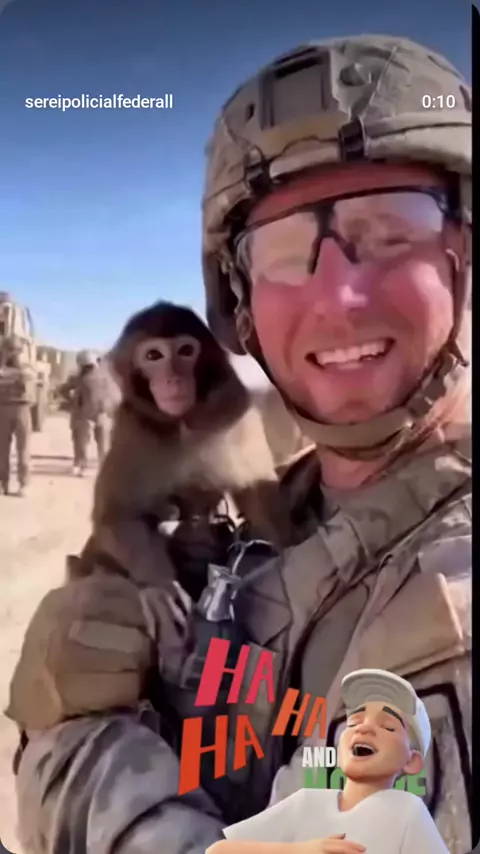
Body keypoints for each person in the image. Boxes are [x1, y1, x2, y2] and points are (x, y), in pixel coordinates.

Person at [7, 35, 471, 854]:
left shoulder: (454, 591)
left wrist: (78, 742)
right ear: (240, 305)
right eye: (285, 252)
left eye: (392, 230)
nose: (339, 296)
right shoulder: (282, 506)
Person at [208, 669, 449, 853]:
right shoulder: (307, 803)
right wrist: (299, 850)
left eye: (388, 726)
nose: (363, 728)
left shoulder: (406, 811)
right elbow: (218, 851)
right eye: (353, 722)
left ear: (412, 761)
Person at [66, 349, 117, 475]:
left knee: (84, 442)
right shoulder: (107, 377)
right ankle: (95, 467)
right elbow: (114, 396)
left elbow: (64, 391)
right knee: (98, 443)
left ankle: (83, 465)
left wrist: (71, 399)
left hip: (90, 414)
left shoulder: (78, 378)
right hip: (98, 414)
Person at [0, 335, 35, 496]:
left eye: (15, 350)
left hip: (20, 408)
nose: (13, 353)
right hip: (6, 408)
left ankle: (21, 483)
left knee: (22, 449)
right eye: (10, 350)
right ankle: (5, 483)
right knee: (5, 449)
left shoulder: (26, 368)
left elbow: (28, 377)